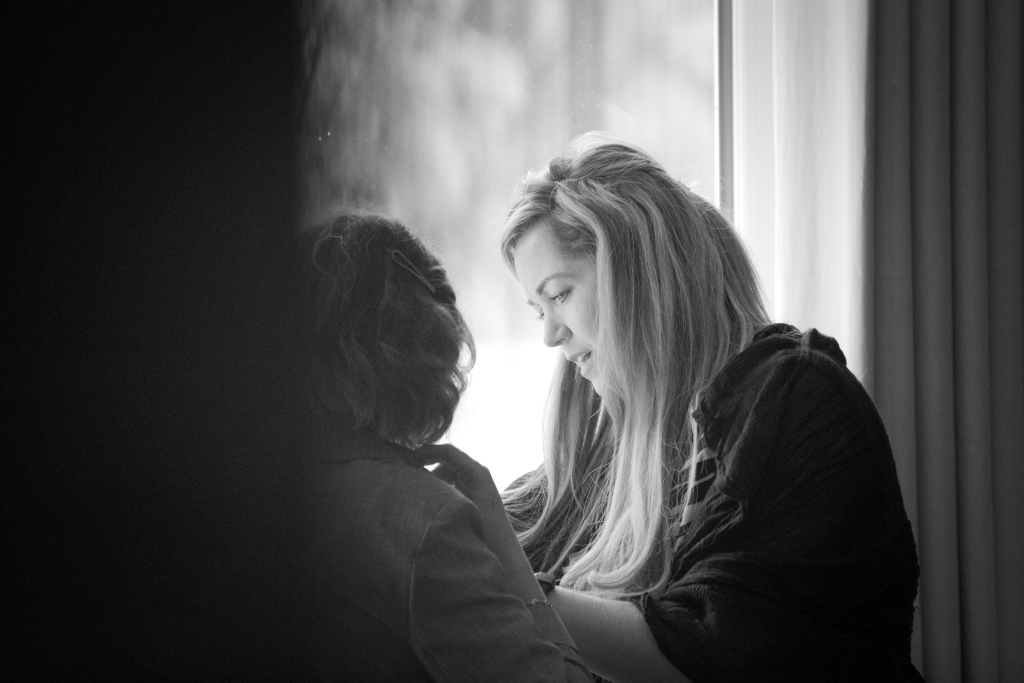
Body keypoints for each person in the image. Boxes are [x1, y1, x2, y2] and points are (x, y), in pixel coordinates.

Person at [428, 134, 924, 682]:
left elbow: (711, 657)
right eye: (537, 309)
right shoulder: (617, 441)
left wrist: (517, 581)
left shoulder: (799, 402)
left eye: (560, 294)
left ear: (638, 273)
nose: (550, 335)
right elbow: (508, 527)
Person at [302, 211, 591, 682]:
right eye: (544, 306)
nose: (550, 336)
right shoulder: (426, 524)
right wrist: (507, 551)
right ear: (424, 343)